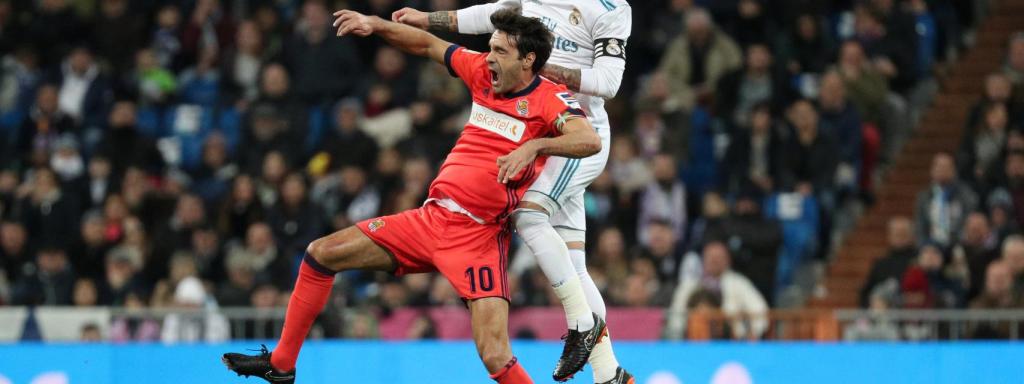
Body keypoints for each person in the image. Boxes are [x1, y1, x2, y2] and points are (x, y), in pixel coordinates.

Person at [223, 10, 602, 384]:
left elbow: (589, 140)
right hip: (429, 221)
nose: (489, 57)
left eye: (500, 51)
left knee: (495, 354)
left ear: (528, 59)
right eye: (490, 47)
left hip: (479, 239)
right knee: (322, 253)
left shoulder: (550, 98)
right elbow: (425, 43)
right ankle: (282, 364)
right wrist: (375, 25)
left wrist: (534, 147)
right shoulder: (482, 74)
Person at [393, 1, 634, 381]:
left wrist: (532, 67)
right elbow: (494, 13)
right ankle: (608, 373)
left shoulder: (610, 8)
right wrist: (428, 19)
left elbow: (609, 84)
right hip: (543, 130)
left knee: (528, 214)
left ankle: (581, 325)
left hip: (574, 132)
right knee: (573, 266)